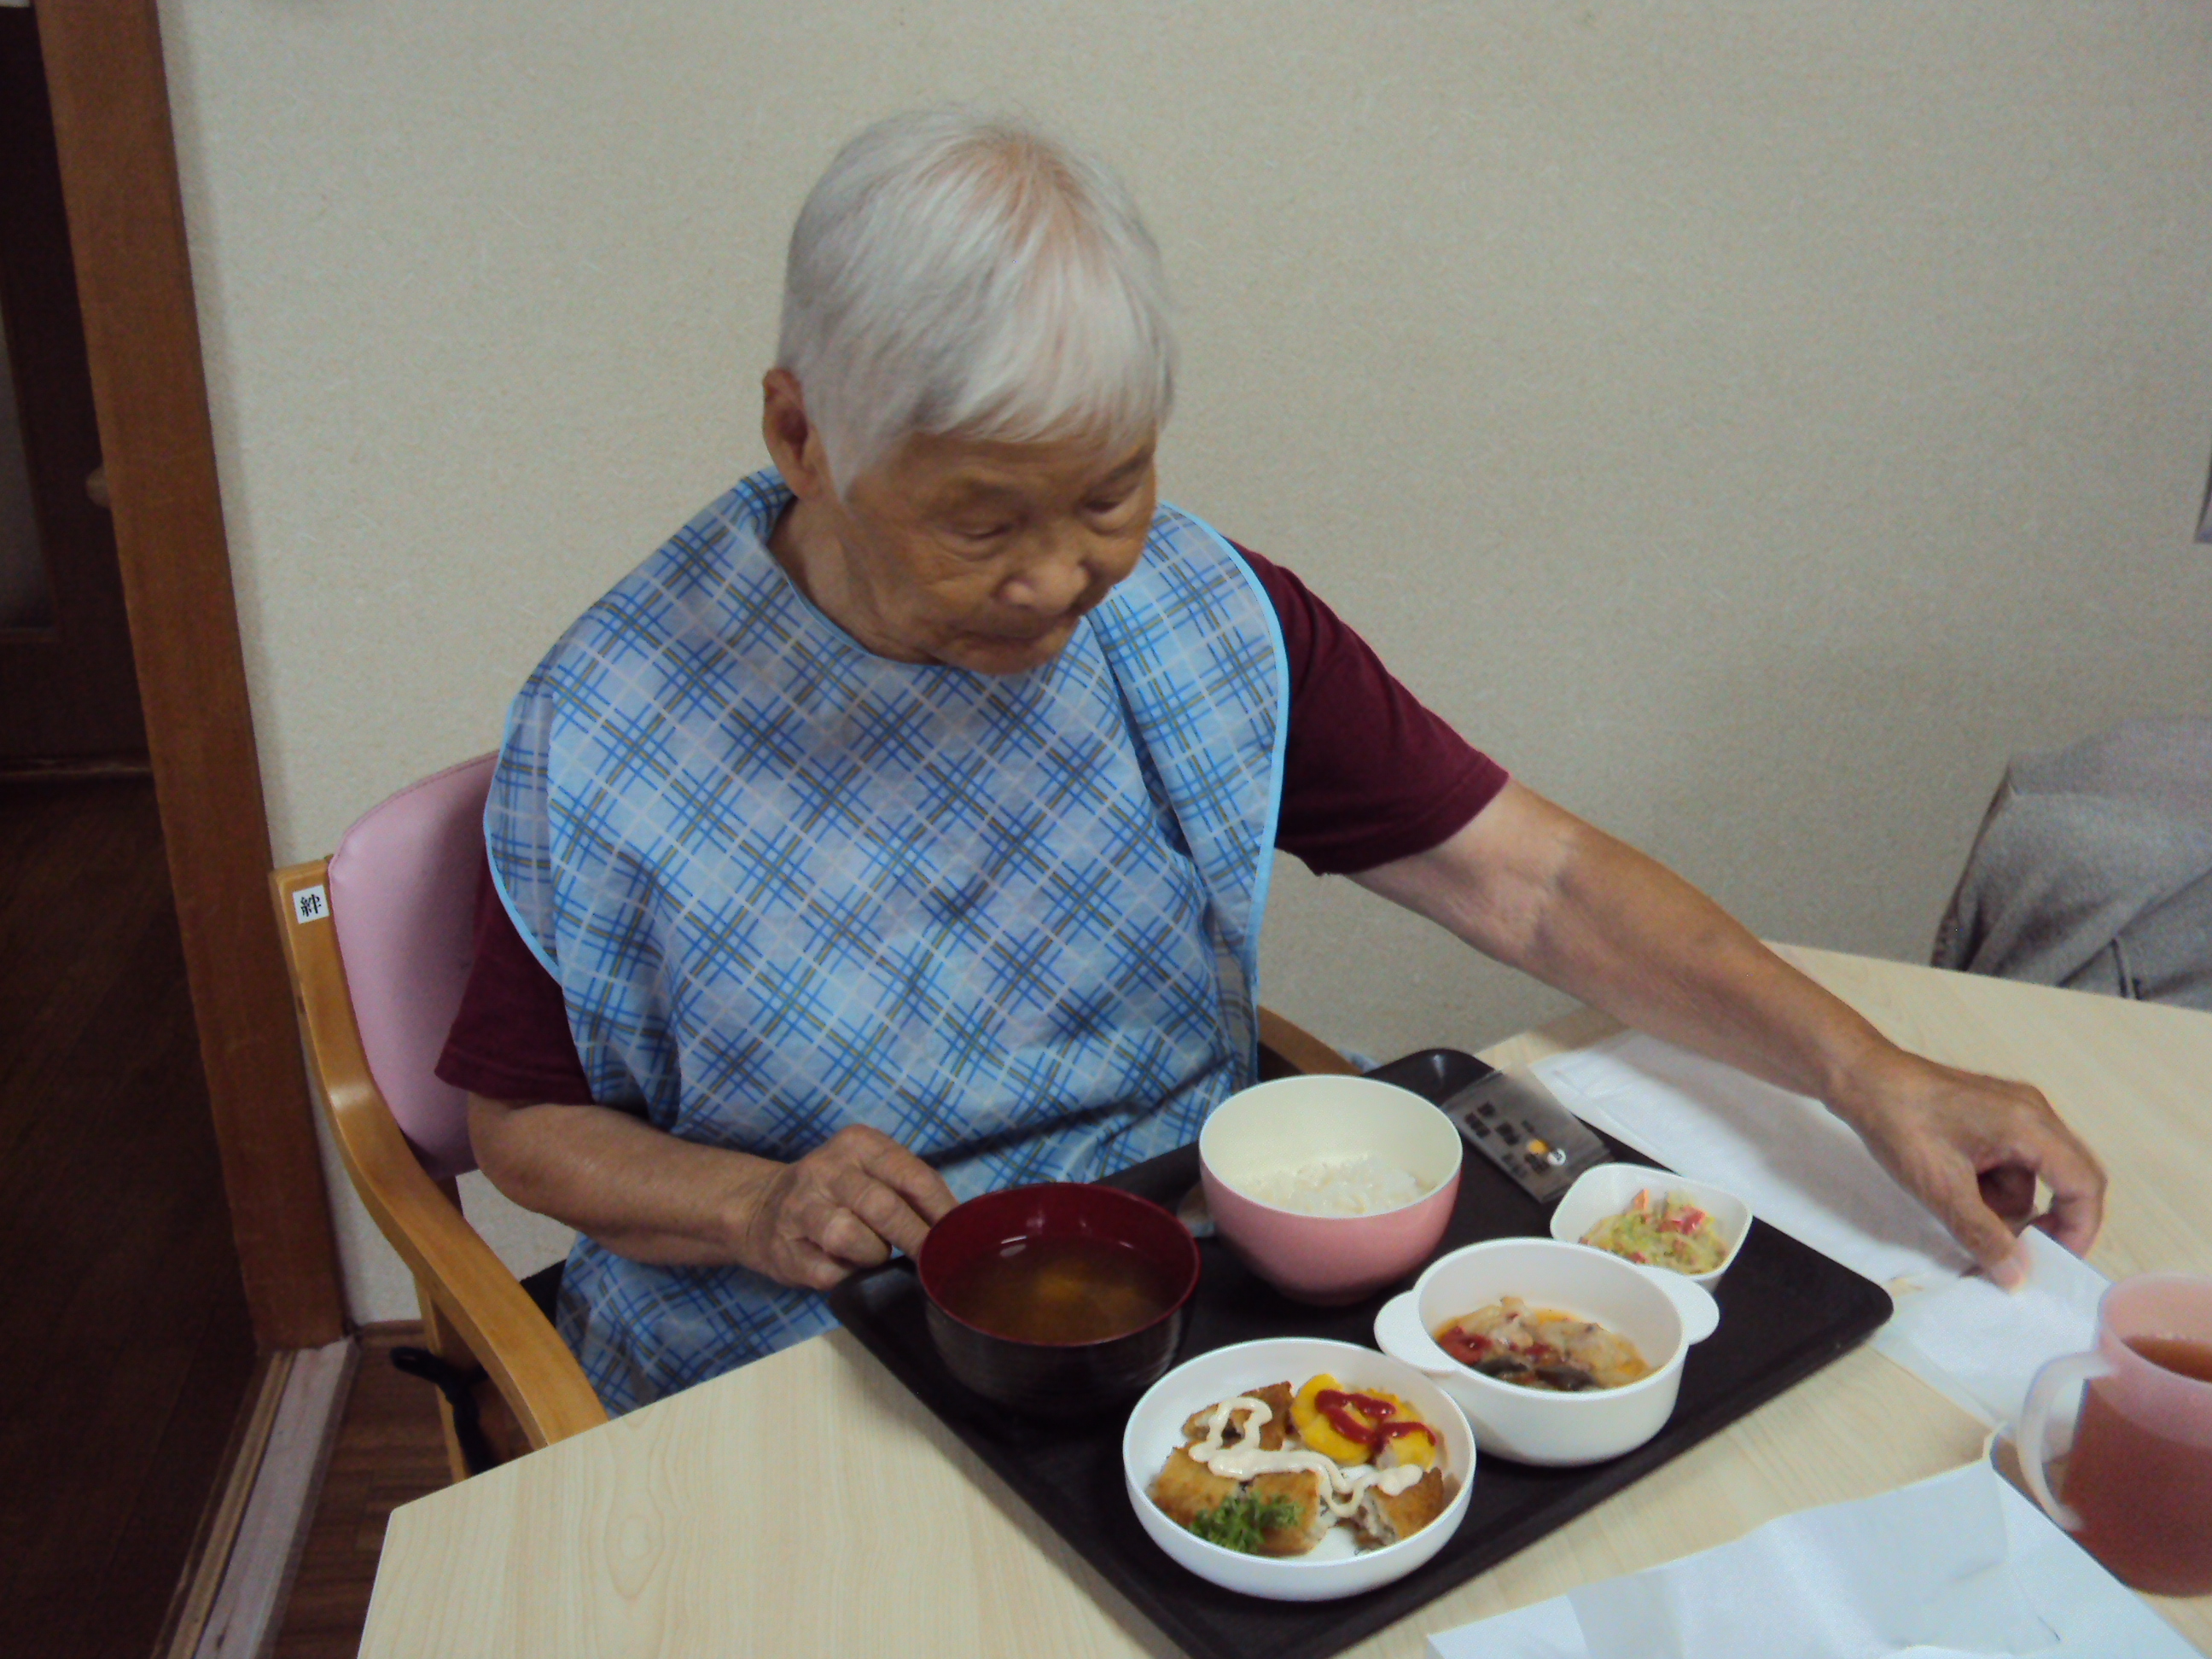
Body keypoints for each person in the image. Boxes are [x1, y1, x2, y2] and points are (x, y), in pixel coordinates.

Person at [437, 109, 2104, 1415]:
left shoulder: (1200, 619)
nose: (1061, 581)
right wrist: (749, 1208)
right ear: (803, 434)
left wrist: (1870, 1075)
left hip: (1180, 1288)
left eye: (1109, 493)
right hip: (805, 1342)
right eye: (982, 523)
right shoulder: (618, 719)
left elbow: (1537, 884)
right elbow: (520, 1125)